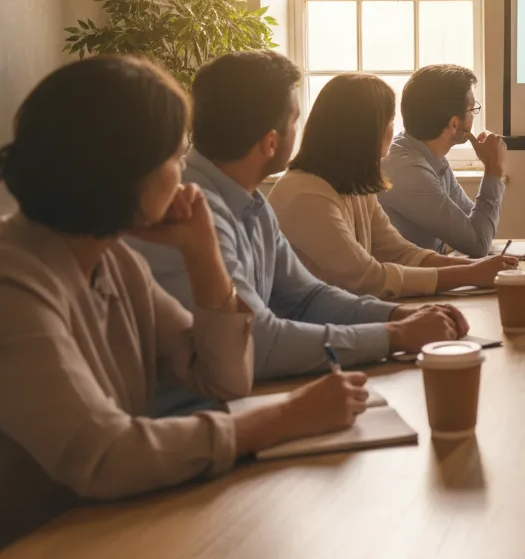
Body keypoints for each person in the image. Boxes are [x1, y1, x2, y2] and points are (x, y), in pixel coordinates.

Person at [0, 57, 371, 555]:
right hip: (31, 542)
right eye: (176, 157)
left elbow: (226, 378)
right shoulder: (0, 282)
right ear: (126, 171)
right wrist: (286, 415)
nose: (185, 173)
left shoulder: (114, 259)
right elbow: (106, 456)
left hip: (106, 524)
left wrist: (203, 253)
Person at [131, 51, 465, 412]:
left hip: (232, 407)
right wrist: (393, 336)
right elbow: (258, 342)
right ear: (271, 142)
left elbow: (306, 298)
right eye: (295, 120)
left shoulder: (251, 201)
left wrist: (396, 316)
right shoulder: (192, 212)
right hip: (189, 423)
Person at [269, 73, 517, 298]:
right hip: (316, 330)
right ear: (365, 132)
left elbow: (403, 253)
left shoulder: (355, 185)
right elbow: (368, 277)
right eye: (389, 120)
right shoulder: (307, 194)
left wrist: (478, 269)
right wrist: (469, 274)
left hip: (346, 318)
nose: (394, 130)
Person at [379, 65, 507, 259]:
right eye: (473, 109)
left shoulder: (431, 157)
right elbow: (478, 244)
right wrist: (493, 168)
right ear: (455, 124)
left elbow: (474, 227)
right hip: (406, 285)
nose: (474, 115)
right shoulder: (409, 171)